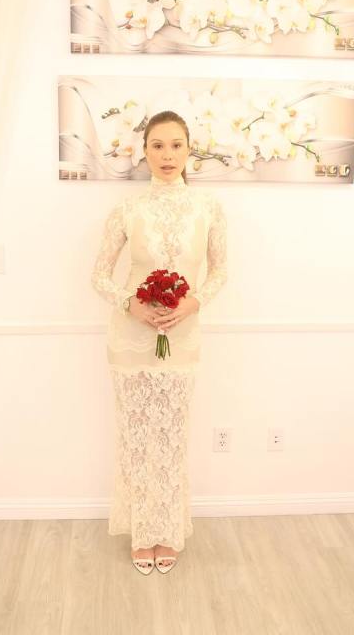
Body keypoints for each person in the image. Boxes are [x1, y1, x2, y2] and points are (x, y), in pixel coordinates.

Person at [90, 110, 228, 575]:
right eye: (157, 145)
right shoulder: (127, 210)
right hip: (130, 338)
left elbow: (221, 270)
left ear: (189, 151)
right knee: (135, 439)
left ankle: (167, 532)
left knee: (172, 439)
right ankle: (141, 533)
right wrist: (132, 304)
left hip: (183, 335)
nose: (167, 155)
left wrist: (195, 302)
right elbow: (99, 275)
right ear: (143, 151)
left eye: (176, 145)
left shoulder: (209, 207)